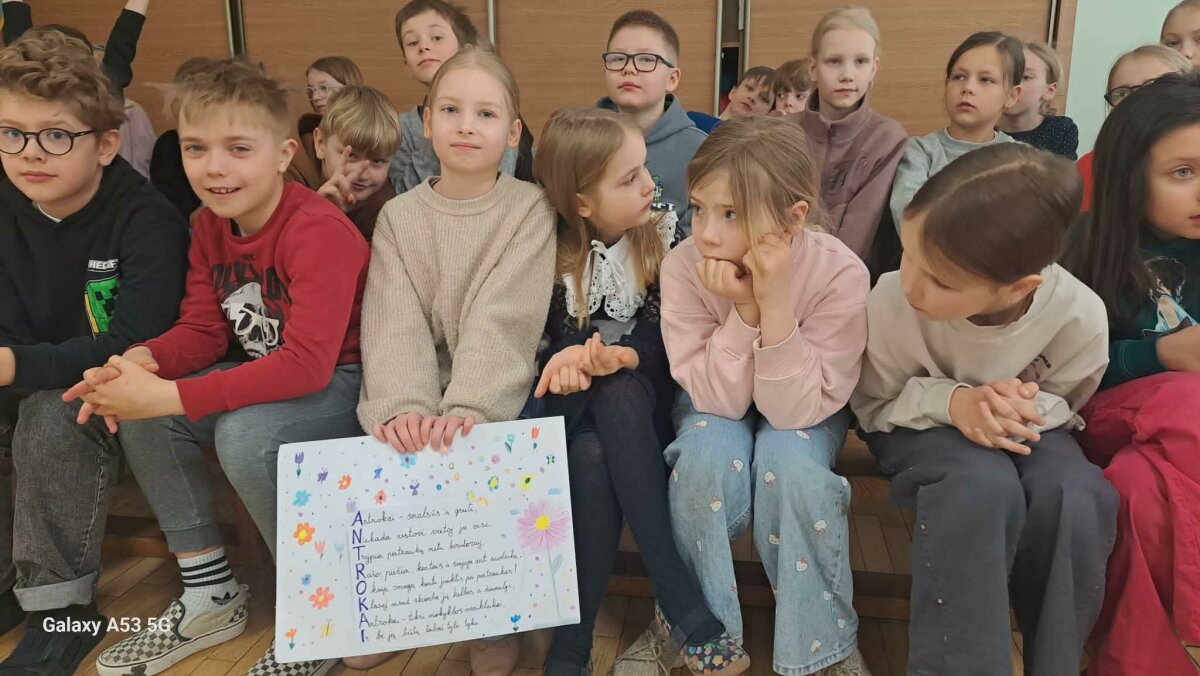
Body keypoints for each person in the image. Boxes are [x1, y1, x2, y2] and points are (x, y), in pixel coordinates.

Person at [76, 58, 370, 676]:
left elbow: (307, 368)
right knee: (145, 412)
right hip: (275, 379)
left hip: (343, 385)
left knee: (242, 434)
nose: (214, 167)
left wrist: (170, 396)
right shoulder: (208, 225)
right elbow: (205, 331)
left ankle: (318, 610)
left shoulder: (318, 230)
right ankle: (210, 592)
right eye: (196, 148)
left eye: (238, 148)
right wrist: (141, 363)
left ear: (284, 154)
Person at [853, 143, 1117, 676]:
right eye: (908, 255)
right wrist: (953, 402)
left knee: (1075, 493)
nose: (912, 285)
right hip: (914, 424)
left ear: (1019, 287)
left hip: (1034, 430)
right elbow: (873, 403)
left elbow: (1067, 404)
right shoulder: (890, 299)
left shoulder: (1080, 315)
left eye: (941, 280)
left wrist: (1013, 405)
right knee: (978, 485)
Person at [352, 49, 555, 676]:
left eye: (486, 114)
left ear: (513, 133)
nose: (467, 125)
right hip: (418, 384)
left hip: (497, 387)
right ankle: (397, 611)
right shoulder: (399, 215)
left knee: (477, 453)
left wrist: (468, 407)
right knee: (394, 446)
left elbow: (505, 319)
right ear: (426, 123)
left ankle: (489, 617)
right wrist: (403, 407)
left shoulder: (529, 208)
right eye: (451, 110)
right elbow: (393, 320)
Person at [649, 116, 871, 676]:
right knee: (700, 461)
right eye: (699, 208)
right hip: (712, 399)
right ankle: (697, 631)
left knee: (792, 465)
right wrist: (745, 313)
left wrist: (773, 305)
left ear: (794, 217)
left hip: (807, 404)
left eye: (731, 214)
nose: (706, 233)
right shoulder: (683, 265)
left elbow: (795, 412)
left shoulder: (839, 273)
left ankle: (823, 647)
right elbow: (716, 402)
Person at [0, 30, 186, 675]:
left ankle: (62, 613)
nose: (30, 152)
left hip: (109, 396)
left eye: (56, 135)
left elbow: (128, 346)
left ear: (106, 144)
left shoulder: (148, 220)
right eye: (11, 133)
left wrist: (17, 365)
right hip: (22, 373)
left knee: (53, 414)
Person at [1063, 71, 1200, 676]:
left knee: (1135, 488)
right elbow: (1063, 373)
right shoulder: (1084, 244)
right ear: (1128, 175)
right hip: (1110, 411)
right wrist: (1161, 356)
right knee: (1187, 401)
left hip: (1165, 457)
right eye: (1183, 172)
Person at [788, 6, 906, 259]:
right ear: (812, 68)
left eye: (861, 62)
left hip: (848, 274)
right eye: (834, 61)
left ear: (874, 68)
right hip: (777, 267)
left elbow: (857, 241)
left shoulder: (888, 139)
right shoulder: (781, 132)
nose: (847, 75)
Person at [889, 31, 1022, 228]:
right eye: (959, 77)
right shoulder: (920, 152)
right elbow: (909, 216)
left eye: (986, 79)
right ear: (946, 85)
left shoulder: (1023, 159)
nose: (968, 87)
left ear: (1012, 96)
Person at [599, 9, 706, 234]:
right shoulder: (581, 140)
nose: (629, 68)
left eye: (646, 59)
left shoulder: (702, 150)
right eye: (617, 58)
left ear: (672, 78)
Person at [998, 42, 1078, 159]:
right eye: (1005, 75)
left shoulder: (1060, 130)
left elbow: (1063, 169)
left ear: (1049, 90)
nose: (1011, 84)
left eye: (1025, 77)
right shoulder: (981, 126)